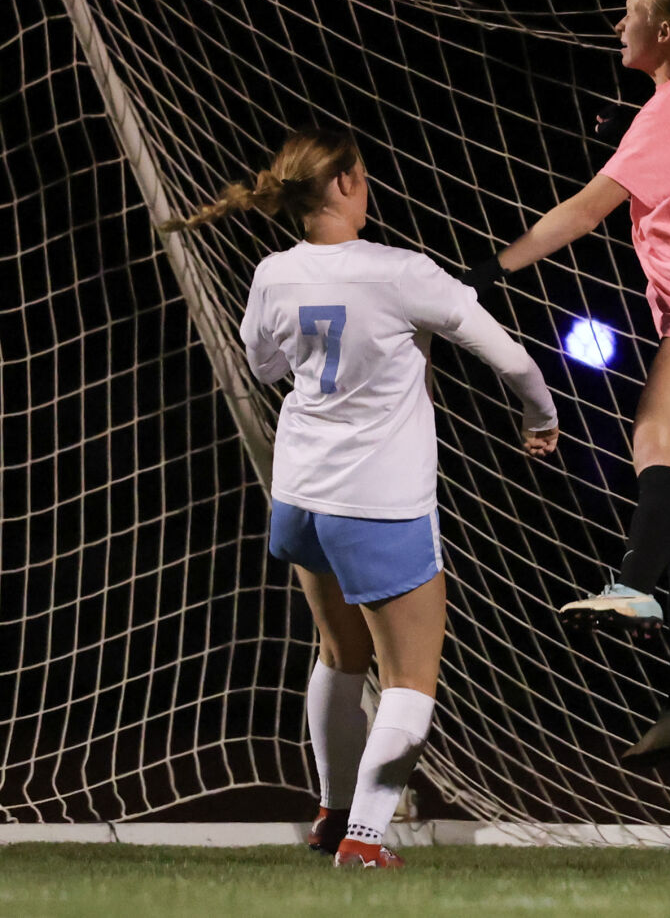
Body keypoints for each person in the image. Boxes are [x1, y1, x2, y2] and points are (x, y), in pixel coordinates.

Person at [164, 128, 559, 868]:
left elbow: (263, 365)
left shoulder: (273, 273)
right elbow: (511, 358)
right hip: (377, 504)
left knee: (340, 656)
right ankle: (365, 841)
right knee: (410, 681)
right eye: (365, 175)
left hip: (300, 499)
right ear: (344, 182)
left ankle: (331, 815)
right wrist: (542, 417)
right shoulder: (400, 271)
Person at [462, 0, 670, 634]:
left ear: (662, 31)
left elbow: (585, 212)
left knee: (656, 443)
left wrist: (494, 268)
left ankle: (634, 589)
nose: (618, 25)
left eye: (629, 12)